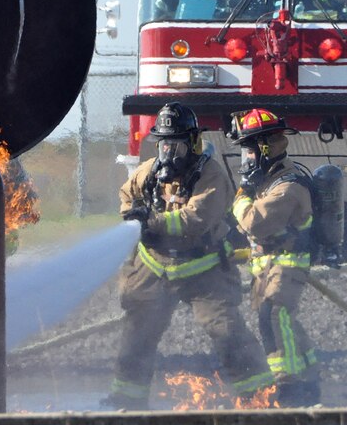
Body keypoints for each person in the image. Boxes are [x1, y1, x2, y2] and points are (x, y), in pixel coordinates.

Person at [101, 102, 273, 410]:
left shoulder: (210, 175)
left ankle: (260, 398)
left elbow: (194, 220)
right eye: (164, 143)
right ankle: (127, 399)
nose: (168, 153)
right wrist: (131, 214)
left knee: (226, 331)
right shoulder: (150, 170)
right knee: (137, 335)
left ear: (192, 142)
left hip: (202, 269)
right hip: (153, 267)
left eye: (176, 145)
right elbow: (127, 194)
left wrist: (149, 221)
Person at [227, 108, 321, 407]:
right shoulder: (268, 182)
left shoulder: (288, 186)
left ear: (266, 148)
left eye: (250, 151)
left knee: (274, 315)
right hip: (268, 265)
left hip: (288, 263)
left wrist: (241, 197)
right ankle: (309, 374)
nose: (247, 159)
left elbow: (255, 222)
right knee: (281, 320)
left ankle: (290, 385)